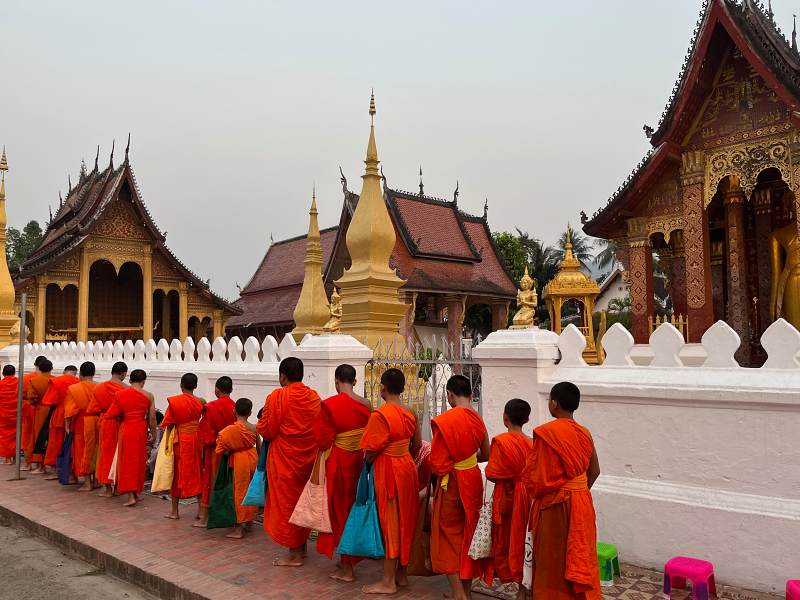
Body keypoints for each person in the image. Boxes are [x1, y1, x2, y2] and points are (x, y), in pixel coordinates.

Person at [522, 382, 601, 600]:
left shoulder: (547, 434)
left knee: (552, 560)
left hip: (554, 506)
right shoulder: (584, 433)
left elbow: (536, 479)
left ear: (554, 404)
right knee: (580, 554)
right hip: (581, 503)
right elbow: (594, 471)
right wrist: (578, 492)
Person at [359, 368, 422, 595]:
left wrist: (371, 462)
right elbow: (417, 445)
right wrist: (402, 455)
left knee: (391, 523)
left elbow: (370, 451)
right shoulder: (411, 412)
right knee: (406, 519)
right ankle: (402, 574)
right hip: (407, 467)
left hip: (388, 470)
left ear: (382, 388)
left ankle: (388, 581)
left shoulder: (380, 415)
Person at [429, 374, 490, 600]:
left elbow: (437, 464)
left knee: (447, 536)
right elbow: (487, 453)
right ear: (471, 395)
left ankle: (458, 593)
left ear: (450, 395)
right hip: (472, 479)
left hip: (452, 484)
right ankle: (465, 590)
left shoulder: (445, 421)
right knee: (468, 534)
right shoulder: (477, 420)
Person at [256, 357, 321, 567]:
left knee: (287, 505)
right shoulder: (313, 397)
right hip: (308, 458)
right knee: (302, 503)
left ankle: (294, 555)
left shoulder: (277, 396)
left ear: (282, 376)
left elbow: (267, 429)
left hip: (285, 459)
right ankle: (301, 548)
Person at [313, 364, 371, 582]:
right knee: (353, 509)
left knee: (339, 513)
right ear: (354, 381)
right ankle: (348, 560)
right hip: (358, 461)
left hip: (338, 464)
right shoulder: (366, 404)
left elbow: (322, 440)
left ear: (337, 381)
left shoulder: (329, 405)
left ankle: (347, 568)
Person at [485, 399, 534, 599]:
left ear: (505, 418)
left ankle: (519, 586)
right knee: (525, 542)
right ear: (527, 419)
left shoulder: (501, 442)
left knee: (509, 542)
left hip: (509, 498)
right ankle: (524, 590)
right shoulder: (532, 442)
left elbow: (491, 473)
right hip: (528, 497)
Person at [104, 369, 156, 508]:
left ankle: (131, 496)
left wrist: (122, 417)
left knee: (127, 461)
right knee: (139, 461)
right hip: (140, 429)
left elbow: (110, 414)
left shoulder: (120, 394)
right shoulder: (149, 395)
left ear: (130, 380)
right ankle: (136, 493)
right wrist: (154, 434)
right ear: (143, 381)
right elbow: (152, 417)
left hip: (126, 429)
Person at [160, 373, 204, 520]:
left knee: (177, 473)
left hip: (180, 441)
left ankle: (175, 511)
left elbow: (167, 422)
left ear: (181, 385)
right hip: (196, 440)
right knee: (197, 472)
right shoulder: (201, 402)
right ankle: (201, 511)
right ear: (196, 386)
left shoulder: (175, 402)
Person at [215, 397, 260, 539]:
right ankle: (250, 522)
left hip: (239, 460)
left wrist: (231, 449)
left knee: (239, 492)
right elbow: (259, 446)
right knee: (250, 490)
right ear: (250, 412)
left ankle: (239, 529)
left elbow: (220, 449)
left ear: (234, 411)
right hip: (253, 458)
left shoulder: (229, 430)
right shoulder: (254, 428)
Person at [195, 375, 236, 527]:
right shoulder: (235, 406)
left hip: (215, 451)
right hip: (231, 450)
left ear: (217, 390)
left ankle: (205, 519)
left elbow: (204, 434)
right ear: (231, 390)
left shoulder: (211, 407)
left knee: (209, 481)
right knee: (229, 482)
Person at [87, 361, 128, 498]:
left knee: (105, 454)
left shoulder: (99, 388)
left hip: (106, 422)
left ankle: (107, 488)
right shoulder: (126, 389)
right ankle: (116, 487)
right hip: (121, 422)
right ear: (123, 374)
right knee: (119, 453)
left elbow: (93, 409)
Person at [40, 365, 79, 478]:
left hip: (60, 414)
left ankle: (54, 468)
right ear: (76, 373)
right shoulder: (78, 382)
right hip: (72, 414)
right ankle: (70, 469)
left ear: (63, 371)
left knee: (55, 442)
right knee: (70, 443)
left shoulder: (56, 381)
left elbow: (48, 401)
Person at [64, 362, 98, 491]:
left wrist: (67, 426)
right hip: (98, 420)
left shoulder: (74, 388)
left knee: (83, 450)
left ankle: (88, 483)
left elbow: (69, 410)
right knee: (96, 448)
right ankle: (96, 480)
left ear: (80, 374)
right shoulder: (99, 387)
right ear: (94, 373)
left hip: (82, 422)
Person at [25, 359, 54, 473]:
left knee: (39, 436)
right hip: (53, 410)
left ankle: (40, 465)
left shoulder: (34, 380)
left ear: (39, 369)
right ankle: (50, 464)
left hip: (41, 410)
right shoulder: (55, 380)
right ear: (51, 368)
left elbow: (31, 397)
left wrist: (35, 403)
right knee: (51, 436)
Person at [20, 356, 46, 471]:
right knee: (42, 435)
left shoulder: (27, 378)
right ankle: (42, 465)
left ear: (35, 365)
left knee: (27, 435)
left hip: (28, 407)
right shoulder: (51, 379)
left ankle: (28, 463)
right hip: (44, 409)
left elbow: (20, 393)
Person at [0, 365, 19, 464]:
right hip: (17, 413)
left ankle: (8, 458)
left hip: (3, 414)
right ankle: (15, 456)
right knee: (16, 434)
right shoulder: (19, 383)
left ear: (3, 374)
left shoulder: (0, 384)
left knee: (5, 436)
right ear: (14, 373)